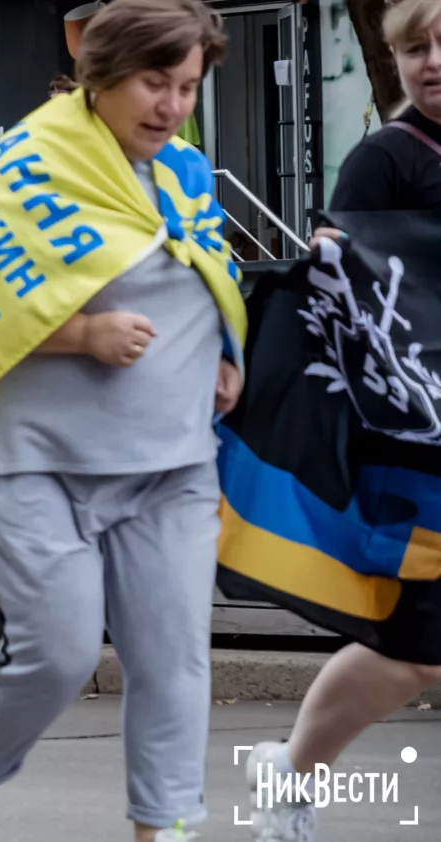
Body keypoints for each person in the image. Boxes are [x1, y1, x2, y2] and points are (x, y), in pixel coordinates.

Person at [0, 0, 248, 840]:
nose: (171, 106)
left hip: (170, 462)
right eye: (153, 83)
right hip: (36, 458)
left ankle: (165, 828)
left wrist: (229, 350)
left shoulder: (186, 172)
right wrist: (84, 332)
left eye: (186, 87)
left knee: (173, 663)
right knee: (56, 654)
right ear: (101, 77)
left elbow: (208, 267)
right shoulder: (31, 164)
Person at [242, 2, 441, 839]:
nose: (430, 62)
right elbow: (344, 296)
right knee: (413, 654)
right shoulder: (383, 161)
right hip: (419, 451)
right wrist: (328, 259)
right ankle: (291, 776)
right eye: (413, 50)